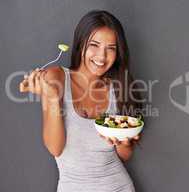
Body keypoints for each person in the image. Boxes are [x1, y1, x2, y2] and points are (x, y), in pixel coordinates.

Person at [19, 10, 143, 192]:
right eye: (94, 45)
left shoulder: (119, 87)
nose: (102, 56)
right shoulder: (57, 77)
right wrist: (52, 99)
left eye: (111, 48)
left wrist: (124, 142)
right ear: (80, 44)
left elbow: (124, 156)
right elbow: (55, 149)